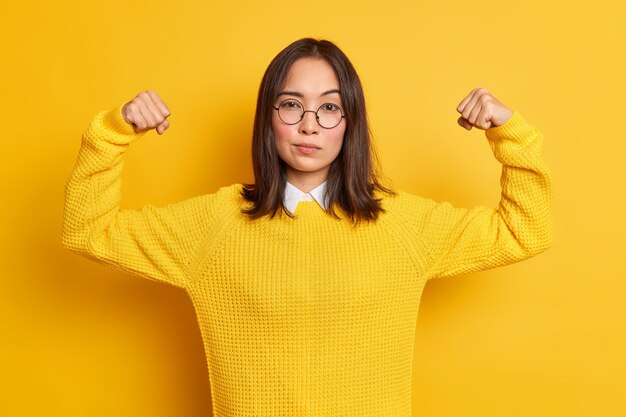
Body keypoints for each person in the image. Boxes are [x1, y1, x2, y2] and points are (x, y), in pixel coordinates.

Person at [62, 38, 552, 416]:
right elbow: (87, 229)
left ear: (349, 122)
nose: (309, 125)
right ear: (268, 118)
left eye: (330, 107)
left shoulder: (402, 224)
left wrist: (509, 132)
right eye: (291, 104)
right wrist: (113, 133)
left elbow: (523, 231)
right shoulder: (212, 225)